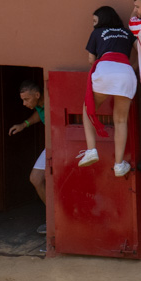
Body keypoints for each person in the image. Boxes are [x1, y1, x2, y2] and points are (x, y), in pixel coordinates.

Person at [77, 6, 136, 177]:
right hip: (125, 72)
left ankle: (91, 150)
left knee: (88, 109)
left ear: (103, 20)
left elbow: (91, 59)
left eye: (95, 21)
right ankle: (119, 165)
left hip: (105, 69)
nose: (93, 24)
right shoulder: (127, 33)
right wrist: (132, 68)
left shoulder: (97, 32)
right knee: (121, 120)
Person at [8, 80, 48, 234]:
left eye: (27, 99)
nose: (24, 103)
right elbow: (39, 114)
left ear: (37, 95)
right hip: (51, 147)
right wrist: (23, 125)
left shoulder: (51, 101)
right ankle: (53, 217)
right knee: (36, 179)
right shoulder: (40, 105)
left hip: (63, 146)